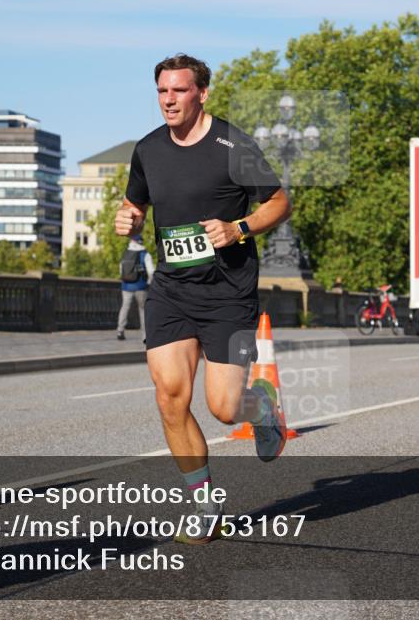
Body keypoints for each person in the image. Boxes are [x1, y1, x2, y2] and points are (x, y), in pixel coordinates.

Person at [114, 54, 292, 543]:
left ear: (202, 93)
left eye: (179, 91)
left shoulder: (234, 146)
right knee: (170, 396)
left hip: (228, 295)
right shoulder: (148, 149)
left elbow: (279, 200)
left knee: (223, 406)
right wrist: (127, 217)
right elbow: (136, 202)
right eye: (162, 91)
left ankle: (262, 408)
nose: (169, 100)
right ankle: (204, 503)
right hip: (172, 290)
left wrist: (239, 227)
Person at [116, 234, 155, 342]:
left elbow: (121, 270)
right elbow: (151, 271)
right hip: (141, 286)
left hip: (126, 286)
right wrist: (149, 282)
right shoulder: (145, 254)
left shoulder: (126, 253)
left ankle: (120, 330)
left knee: (125, 307)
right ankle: (145, 335)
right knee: (143, 310)